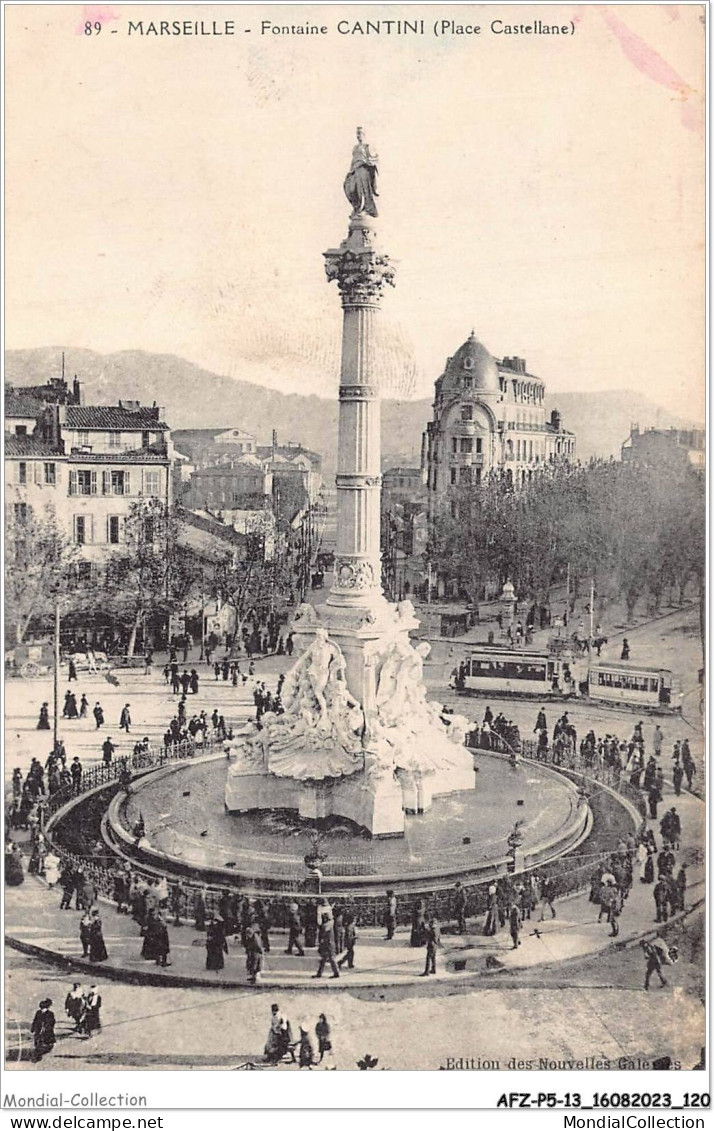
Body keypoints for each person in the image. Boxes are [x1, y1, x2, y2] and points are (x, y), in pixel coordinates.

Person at [314, 899, 340, 979]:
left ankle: (336, 973)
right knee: (324, 959)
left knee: (330, 958)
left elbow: (321, 926)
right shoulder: (330, 921)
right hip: (328, 943)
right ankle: (320, 973)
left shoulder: (327, 925)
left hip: (328, 943)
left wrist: (321, 941)